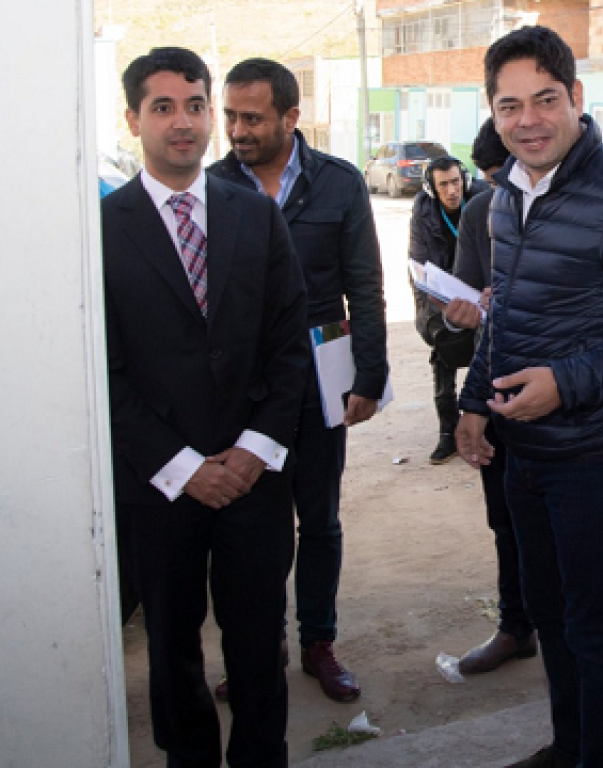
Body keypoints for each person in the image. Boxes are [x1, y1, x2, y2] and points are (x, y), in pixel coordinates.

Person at [454, 26, 603, 768]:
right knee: (552, 615)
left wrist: (564, 385)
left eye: (545, 99)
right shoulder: (505, 196)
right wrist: (474, 398)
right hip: (524, 451)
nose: (528, 120)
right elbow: (508, 310)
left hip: (600, 454)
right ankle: (569, 750)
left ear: (576, 98)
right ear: (492, 112)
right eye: (509, 106)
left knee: (595, 630)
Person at [103, 47, 308, 767]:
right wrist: (184, 467)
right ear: (134, 119)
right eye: (162, 107)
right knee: (172, 648)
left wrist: (254, 451)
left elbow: (290, 347)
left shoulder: (256, 216)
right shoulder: (101, 229)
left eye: (195, 105)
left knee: (258, 642)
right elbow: (105, 373)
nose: (183, 122)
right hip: (160, 487)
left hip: (254, 479)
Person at [208, 57, 389, 703]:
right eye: (231, 116)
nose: (238, 131)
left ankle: (318, 642)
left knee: (319, 519)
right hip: (244, 387)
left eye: (252, 118)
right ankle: (262, 647)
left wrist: (369, 373)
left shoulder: (338, 183)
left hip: (320, 374)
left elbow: (363, 282)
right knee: (252, 526)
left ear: (291, 117)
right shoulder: (211, 186)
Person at [434, 119, 540, 675]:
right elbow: (467, 293)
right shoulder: (481, 212)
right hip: (495, 385)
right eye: (491, 178)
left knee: (560, 527)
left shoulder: (582, 205)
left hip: (565, 398)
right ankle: (516, 627)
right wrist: (462, 312)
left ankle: (564, 631)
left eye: (503, 176)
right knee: (505, 519)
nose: (498, 188)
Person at [408, 154, 490, 464]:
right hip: (443, 293)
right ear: (432, 188)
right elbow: (418, 263)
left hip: (480, 288)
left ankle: (485, 423)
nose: (451, 191)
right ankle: (447, 431)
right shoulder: (423, 211)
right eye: (443, 185)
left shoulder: (483, 199)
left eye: (455, 182)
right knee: (442, 346)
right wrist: (429, 315)